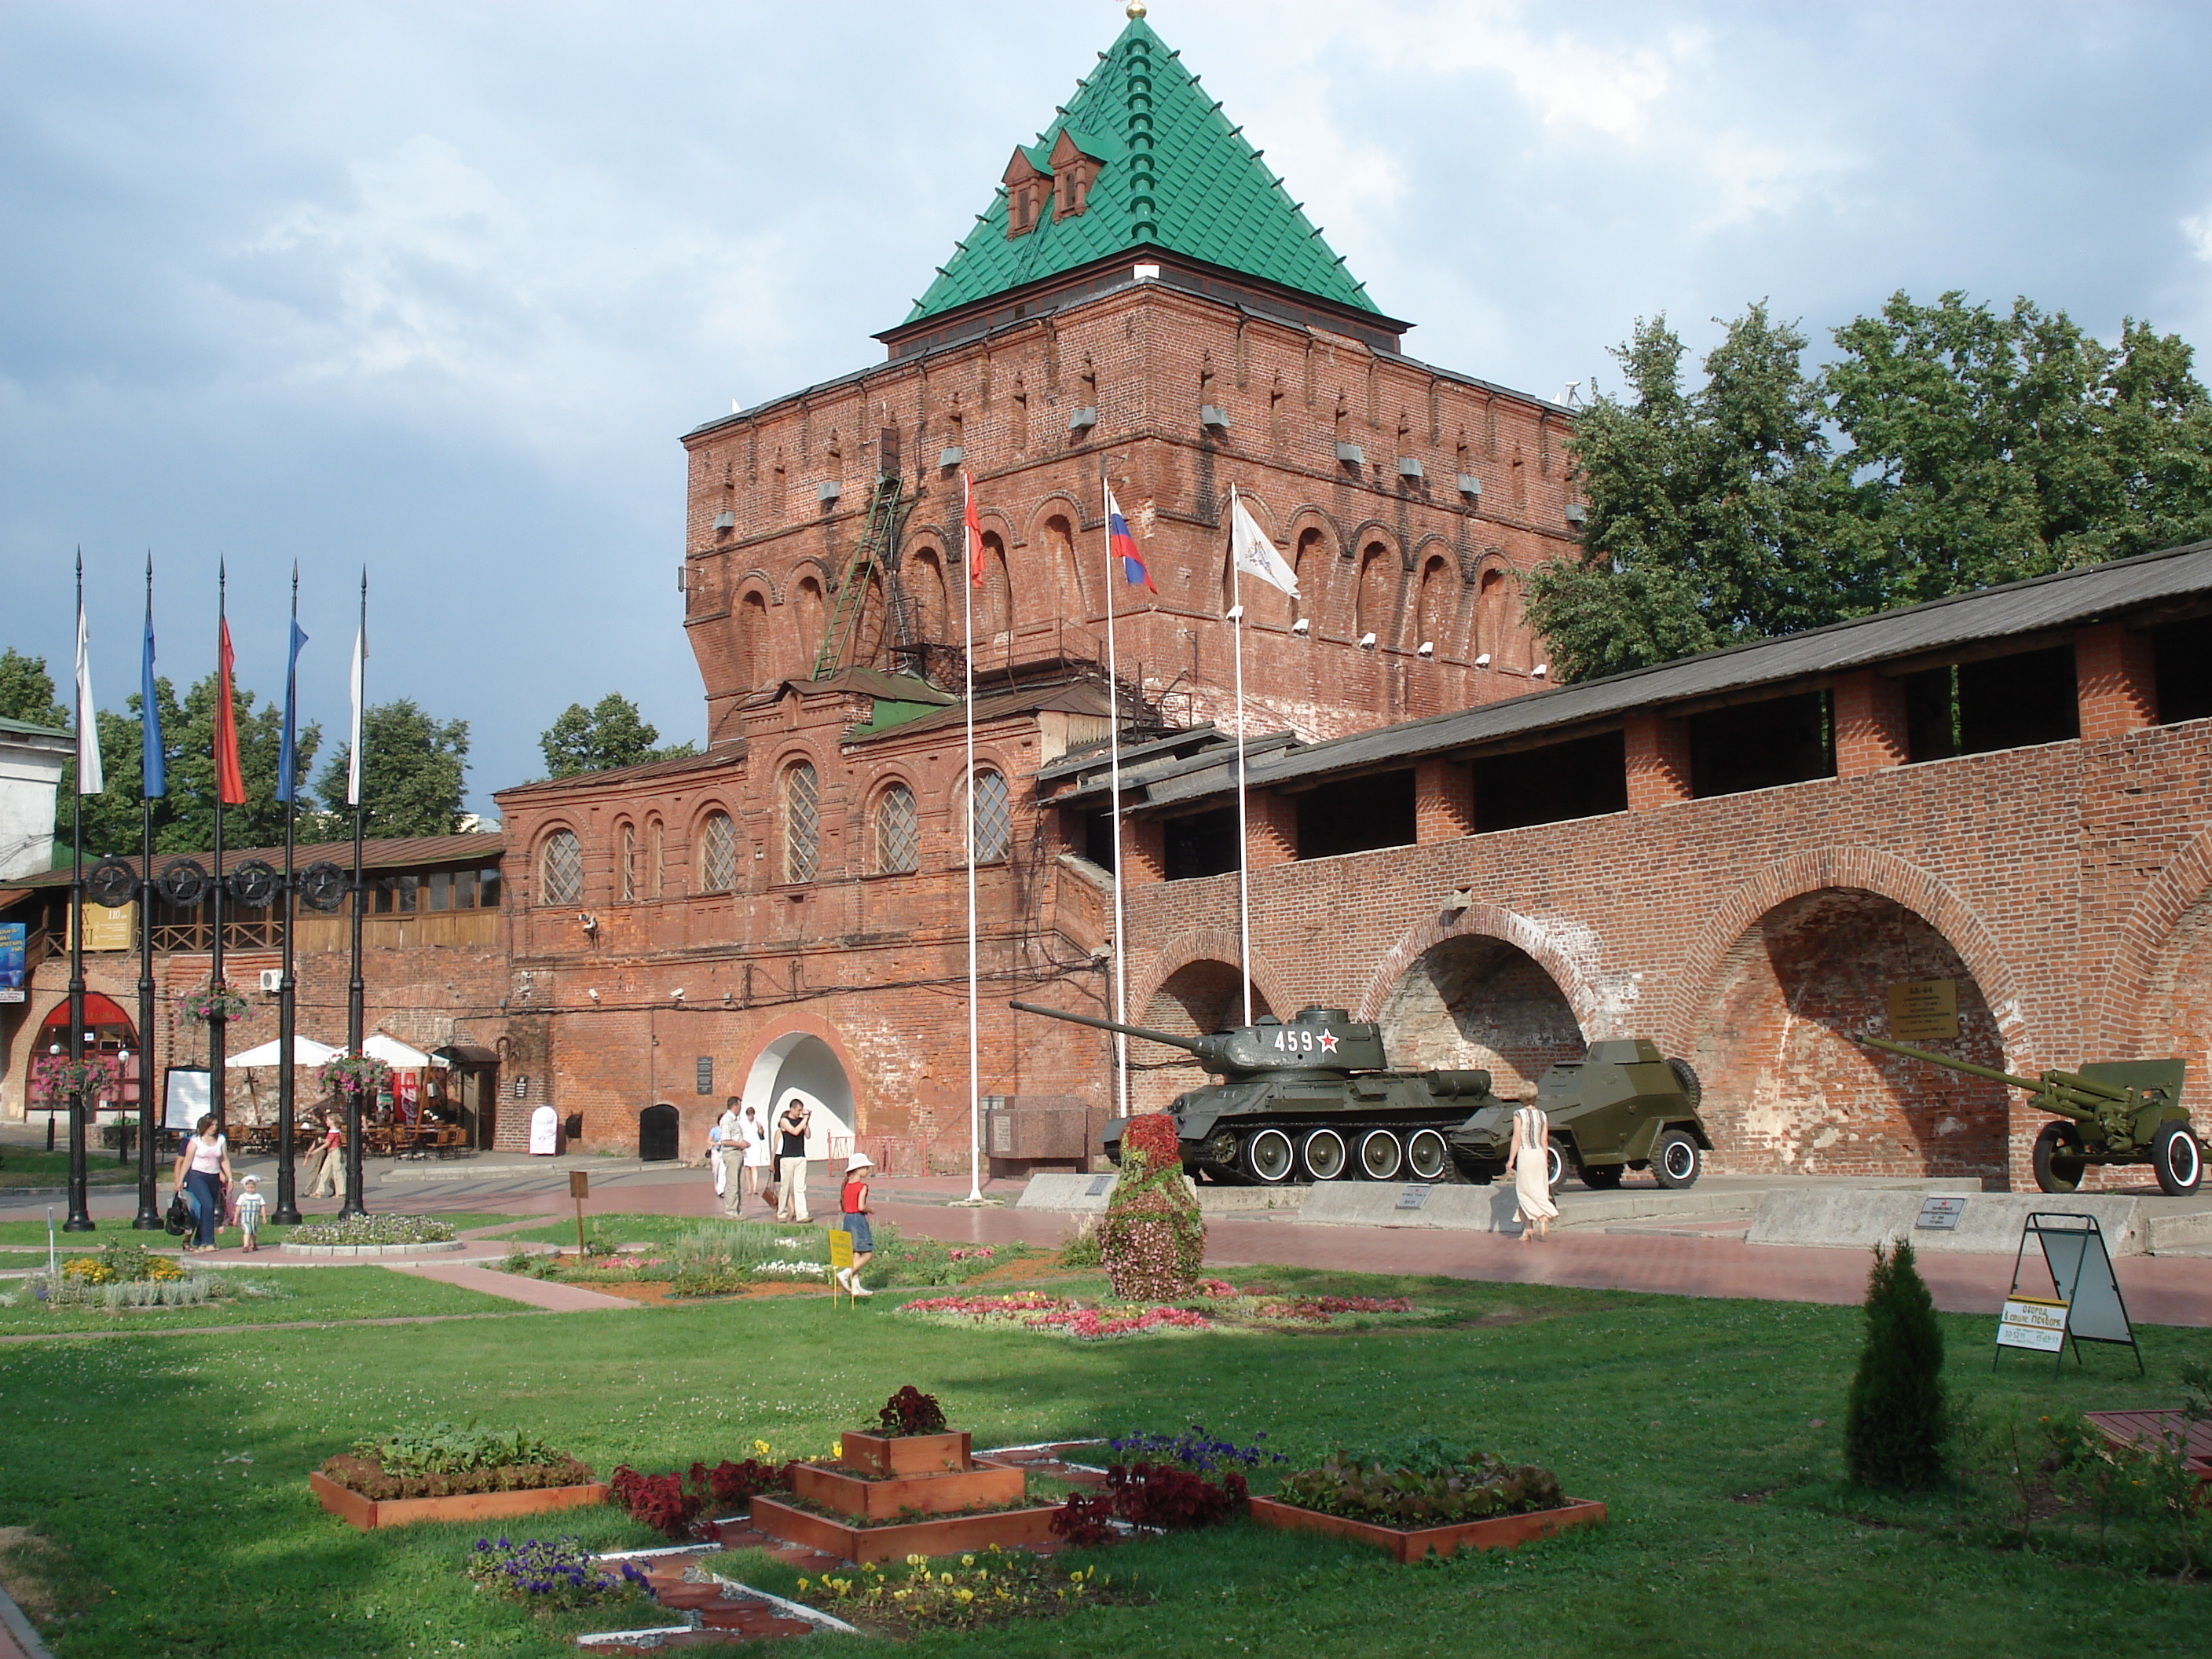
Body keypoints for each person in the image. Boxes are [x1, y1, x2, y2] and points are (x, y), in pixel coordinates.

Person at [171, 1114, 233, 1253]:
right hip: (197, 1176)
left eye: (216, 1125)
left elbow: (224, 1159)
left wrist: (229, 1177)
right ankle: (208, 1241)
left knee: (206, 1209)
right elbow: (186, 1161)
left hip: (213, 1176)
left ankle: (200, 1241)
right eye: (211, 1125)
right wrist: (179, 1180)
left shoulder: (221, 1140)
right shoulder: (195, 1141)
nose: (214, 1128)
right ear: (205, 1126)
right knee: (208, 1205)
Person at [1507, 1096, 1558, 1245]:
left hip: (1526, 1153)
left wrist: (1511, 1159)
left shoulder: (1519, 1114)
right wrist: (1545, 1159)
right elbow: (1544, 1140)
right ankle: (1528, 1228)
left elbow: (1517, 1138)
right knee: (1537, 1189)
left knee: (1524, 1191)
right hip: (1539, 1154)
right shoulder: (1542, 1115)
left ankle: (1543, 1216)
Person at [837, 1152, 875, 1296]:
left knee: (856, 1253)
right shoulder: (862, 1186)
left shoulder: (846, 1185)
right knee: (867, 1253)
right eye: (865, 1167)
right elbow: (861, 1206)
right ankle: (846, 1274)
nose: (867, 1170)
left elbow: (841, 1206)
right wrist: (870, 1209)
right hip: (858, 1219)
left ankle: (855, 1286)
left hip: (847, 1219)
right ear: (858, 1169)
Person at [773, 1095, 813, 1223]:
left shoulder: (802, 1121)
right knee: (786, 1186)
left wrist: (806, 1121)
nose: (800, 1113)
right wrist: (804, 1119)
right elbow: (795, 1131)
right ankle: (782, 1213)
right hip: (787, 1157)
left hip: (800, 1156)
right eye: (798, 1110)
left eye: (802, 1110)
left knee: (800, 1187)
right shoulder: (784, 1121)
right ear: (792, 1109)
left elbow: (808, 1135)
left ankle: (802, 1214)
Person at [712, 1097, 743, 1215]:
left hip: (738, 1152)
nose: (740, 1108)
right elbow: (725, 1140)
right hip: (731, 1153)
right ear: (735, 1106)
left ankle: (737, 1209)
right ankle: (731, 1211)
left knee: (738, 1183)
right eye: (740, 1106)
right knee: (732, 1184)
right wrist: (740, 1144)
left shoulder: (734, 1120)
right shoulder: (727, 1119)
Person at [306, 1110, 343, 1200]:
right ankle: (319, 1192)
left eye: (328, 1120)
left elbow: (328, 1143)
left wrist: (315, 1151)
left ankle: (340, 1192)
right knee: (323, 1172)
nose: (326, 1121)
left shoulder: (334, 1131)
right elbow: (328, 1142)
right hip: (331, 1152)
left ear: (333, 1121)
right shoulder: (331, 1131)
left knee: (337, 1172)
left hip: (335, 1152)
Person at [740, 1104, 771, 1214]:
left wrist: (760, 1128)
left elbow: (762, 1134)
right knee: (747, 1167)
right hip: (746, 1145)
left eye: (752, 1115)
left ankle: (755, 1187)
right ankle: (748, 1186)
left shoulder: (758, 1121)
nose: (751, 1118)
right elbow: (740, 1135)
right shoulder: (742, 1123)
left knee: (754, 1166)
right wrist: (742, 1146)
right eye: (749, 1116)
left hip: (755, 1145)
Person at [236, 1174, 267, 1251]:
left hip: (255, 1218)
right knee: (247, 1230)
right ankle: (246, 1245)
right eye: (248, 1188)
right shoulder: (243, 1196)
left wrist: (264, 1217)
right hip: (245, 1218)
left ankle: (254, 1243)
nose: (250, 1190)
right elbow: (238, 1207)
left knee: (253, 1232)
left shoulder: (258, 1196)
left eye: (252, 1188)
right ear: (244, 1187)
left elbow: (262, 1207)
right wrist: (236, 1217)